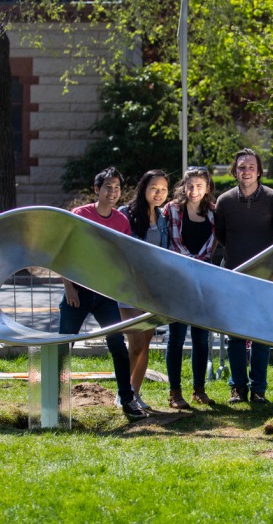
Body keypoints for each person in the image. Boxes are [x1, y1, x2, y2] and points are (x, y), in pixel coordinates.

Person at [59, 166, 148, 421]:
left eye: (117, 188)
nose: (112, 192)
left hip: (105, 293)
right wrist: (69, 287)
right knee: (63, 346)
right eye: (108, 187)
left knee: (118, 346)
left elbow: (123, 257)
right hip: (78, 292)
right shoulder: (81, 215)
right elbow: (63, 251)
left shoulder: (121, 221)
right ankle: (55, 397)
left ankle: (127, 399)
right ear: (96, 189)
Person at [215, 148, 273, 404]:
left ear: (259, 171)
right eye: (242, 167)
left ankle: (258, 389)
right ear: (235, 171)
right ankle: (237, 387)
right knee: (235, 336)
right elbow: (222, 235)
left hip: (264, 279)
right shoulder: (225, 202)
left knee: (261, 337)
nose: (246, 171)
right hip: (234, 276)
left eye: (251, 167)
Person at [163, 167, 218, 409]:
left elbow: (213, 244)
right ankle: (175, 392)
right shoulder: (172, 210)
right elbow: (169, 241)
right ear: (184, 187)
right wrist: (189, 262)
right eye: (190, 185)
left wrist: (200, 264)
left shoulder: (214, 212)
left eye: (199, 186)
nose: (194, 190)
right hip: (178, 279)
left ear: (207, 188)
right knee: (176, 337)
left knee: (201, 338)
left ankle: (199, 390)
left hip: (203, 281)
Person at [117, 169, 170, 410]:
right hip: (129, 288)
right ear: (143, 189)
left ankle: (135, 393)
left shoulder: (162, 217)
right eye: (154, 188)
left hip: (152, 290)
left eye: (163, 189)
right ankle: (123, 393)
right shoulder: (126, 214)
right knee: (135, 342)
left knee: (145, 344)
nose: (159, 193)